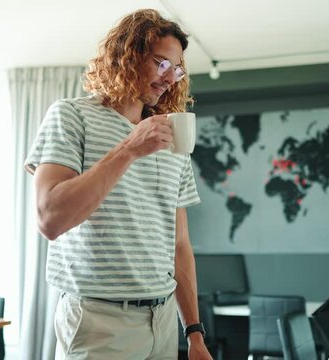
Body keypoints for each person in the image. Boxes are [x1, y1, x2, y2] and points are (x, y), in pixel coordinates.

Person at [24, 8, 213, 360]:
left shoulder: (173, 139)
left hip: (164, 321)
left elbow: (180, 242)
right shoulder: (71, 115)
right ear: (127, 55)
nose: (170, 77)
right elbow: (50, 218)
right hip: (100, 322)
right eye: (161, 64)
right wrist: (129, 148)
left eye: (177, 69)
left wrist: (194, 332)